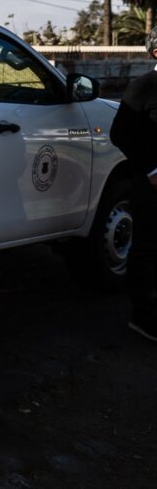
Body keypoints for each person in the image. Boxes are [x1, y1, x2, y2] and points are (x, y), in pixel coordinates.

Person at [110, 27, 157, 343]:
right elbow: (120, 134)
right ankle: (143, 317)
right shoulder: (144, 86)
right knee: (149, 248)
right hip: (152, 186)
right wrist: (151, 170)